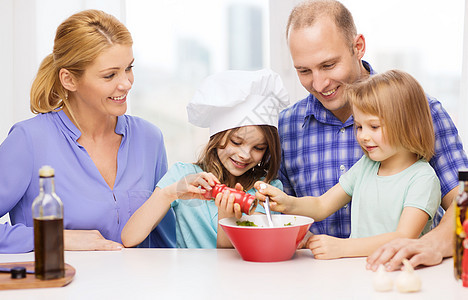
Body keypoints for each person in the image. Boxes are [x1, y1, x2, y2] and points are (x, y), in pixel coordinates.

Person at [279, 0, 468, 241]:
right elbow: (286, 215)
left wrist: (434, 246)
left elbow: (464, 202)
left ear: (358, 47)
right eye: (304, 71)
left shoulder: (421, 111)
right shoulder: (287, 126)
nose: (318, 84)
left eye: (329, 65)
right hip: (315, 273)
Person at [0, 9, 176, 253]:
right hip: (57, 289)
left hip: (138, 290)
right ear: (69, 80)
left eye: (129, 68)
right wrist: (57, 238)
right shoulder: (28, 141)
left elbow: (165, 243)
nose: (126, 83)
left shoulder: (149, 139)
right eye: (110, 75)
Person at [255, 69, 441, 259]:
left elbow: (403, 237)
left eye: (374, 126)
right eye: (359, 126)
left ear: (408, 125)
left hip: (398, 275)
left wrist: (343, 248)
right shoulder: (367, 166)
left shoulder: (423, 179)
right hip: (359, 272)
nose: (363, 136)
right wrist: (288, 204)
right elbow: (321, 205)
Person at [121, 69, 289, 248]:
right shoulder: (183, 174)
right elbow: (130, 238)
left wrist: (227, 217)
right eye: (236, 141)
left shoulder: (265, 190)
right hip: (189, 276)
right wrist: (171, 192)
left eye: (258, 148)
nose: (245, 155)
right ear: (218, 136)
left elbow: (238, 261)